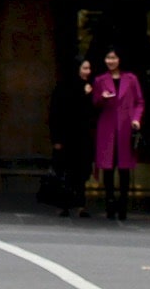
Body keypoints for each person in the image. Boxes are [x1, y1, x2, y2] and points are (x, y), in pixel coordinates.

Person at [92, 46, 145, 222]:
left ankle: (123, 205)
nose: (110, 61)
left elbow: (139, 102)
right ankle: (109, 204)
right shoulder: (100, 80)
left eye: (113, 58)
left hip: (125, 127)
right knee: (107, 168)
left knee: (124, 169)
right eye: (108, 58)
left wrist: (136, 119)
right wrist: (102, 98)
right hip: (107, 128)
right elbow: (95, 103)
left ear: (120, 59)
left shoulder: (131, 79)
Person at [49, 56, 98, 218]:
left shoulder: (89, 88)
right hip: (67, 138)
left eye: (89, 69)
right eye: (84, 69)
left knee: (81, 173)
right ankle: (64, 205)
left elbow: (91, 112)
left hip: (83, 138)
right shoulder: (64, 88)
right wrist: (56, 139)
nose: (87, 72)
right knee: (66, 172)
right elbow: (57, 113)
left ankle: (80, 205)